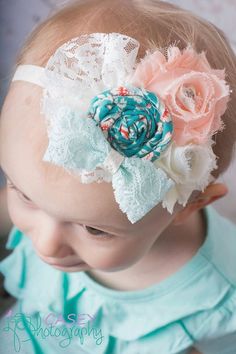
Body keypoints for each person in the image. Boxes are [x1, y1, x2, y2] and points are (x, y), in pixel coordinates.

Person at [0, 0, 236, 353]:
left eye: (95, 229)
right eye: (23, 194)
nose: (44, 245)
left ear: (189, 205)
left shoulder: (217, 304)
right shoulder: (54, 209)